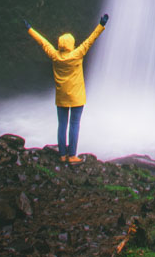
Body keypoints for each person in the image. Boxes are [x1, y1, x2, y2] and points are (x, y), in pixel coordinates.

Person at [23, 13, 109, 164]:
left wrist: (30, 29)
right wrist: (101, 25)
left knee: (62, 125)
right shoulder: (78, 53)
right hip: (77, 97)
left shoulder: (55, 56)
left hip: (61, 96)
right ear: (71, 44)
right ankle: (72, 156)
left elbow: (43, 42)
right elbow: (91, 40)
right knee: (74, 125)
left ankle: (62, 155)